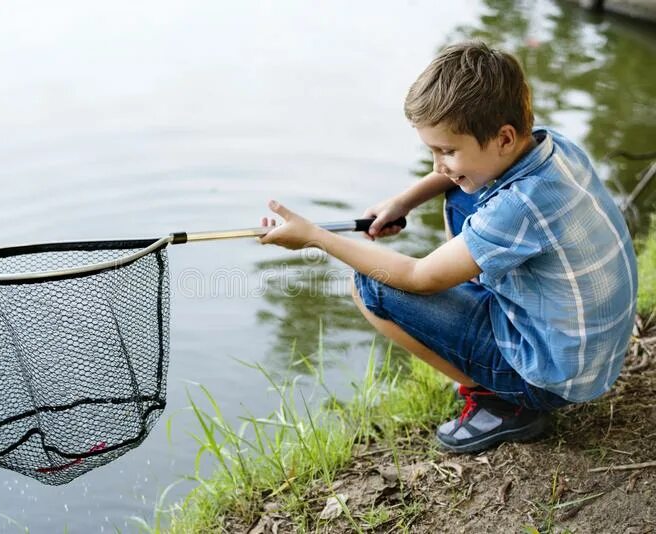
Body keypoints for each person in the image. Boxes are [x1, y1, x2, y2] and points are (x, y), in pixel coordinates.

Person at [259, 41, 638, 453]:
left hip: (549, 379)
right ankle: (485, 331)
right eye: (432, 151)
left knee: (369, 285)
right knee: (461, 193)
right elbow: (457, 176)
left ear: (504, 138)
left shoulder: (519, 206)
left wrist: (315, 236)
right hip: (587, 358)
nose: (438, 164)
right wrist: (404, 201)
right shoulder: (553, 146)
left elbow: (417, 278)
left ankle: (502, 400)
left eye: (447, 151)